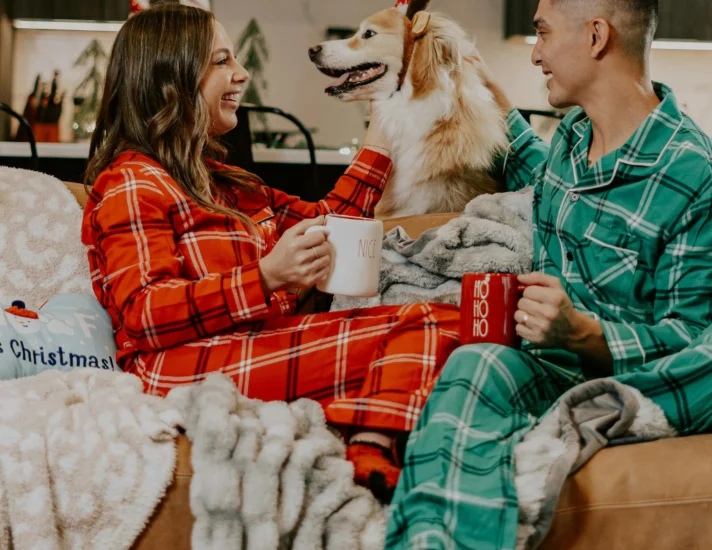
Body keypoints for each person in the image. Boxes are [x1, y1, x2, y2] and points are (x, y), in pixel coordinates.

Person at [386, 0, 712, 547]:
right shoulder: (572, 142)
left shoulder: (704, 185)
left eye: (543, 34)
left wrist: (582, 333)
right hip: (546, 377)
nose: (535, 53)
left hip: (643, 391)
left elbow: (698, 345)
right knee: (475, 361)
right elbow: (539, 171)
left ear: (596, 36)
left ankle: (579, 421)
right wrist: (475, 87)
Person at [81, 4, 460, 500]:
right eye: (221, 61)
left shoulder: (229, 184)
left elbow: (327, 219)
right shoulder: (133, 181)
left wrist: (381, 126)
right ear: (170, 78)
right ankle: (371, 441)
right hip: (176, 368)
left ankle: (370, 435)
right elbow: (144, 312)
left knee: (447, 319)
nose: (241, 74)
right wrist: (264, 278)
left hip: (251, 346)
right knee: (434, 326)